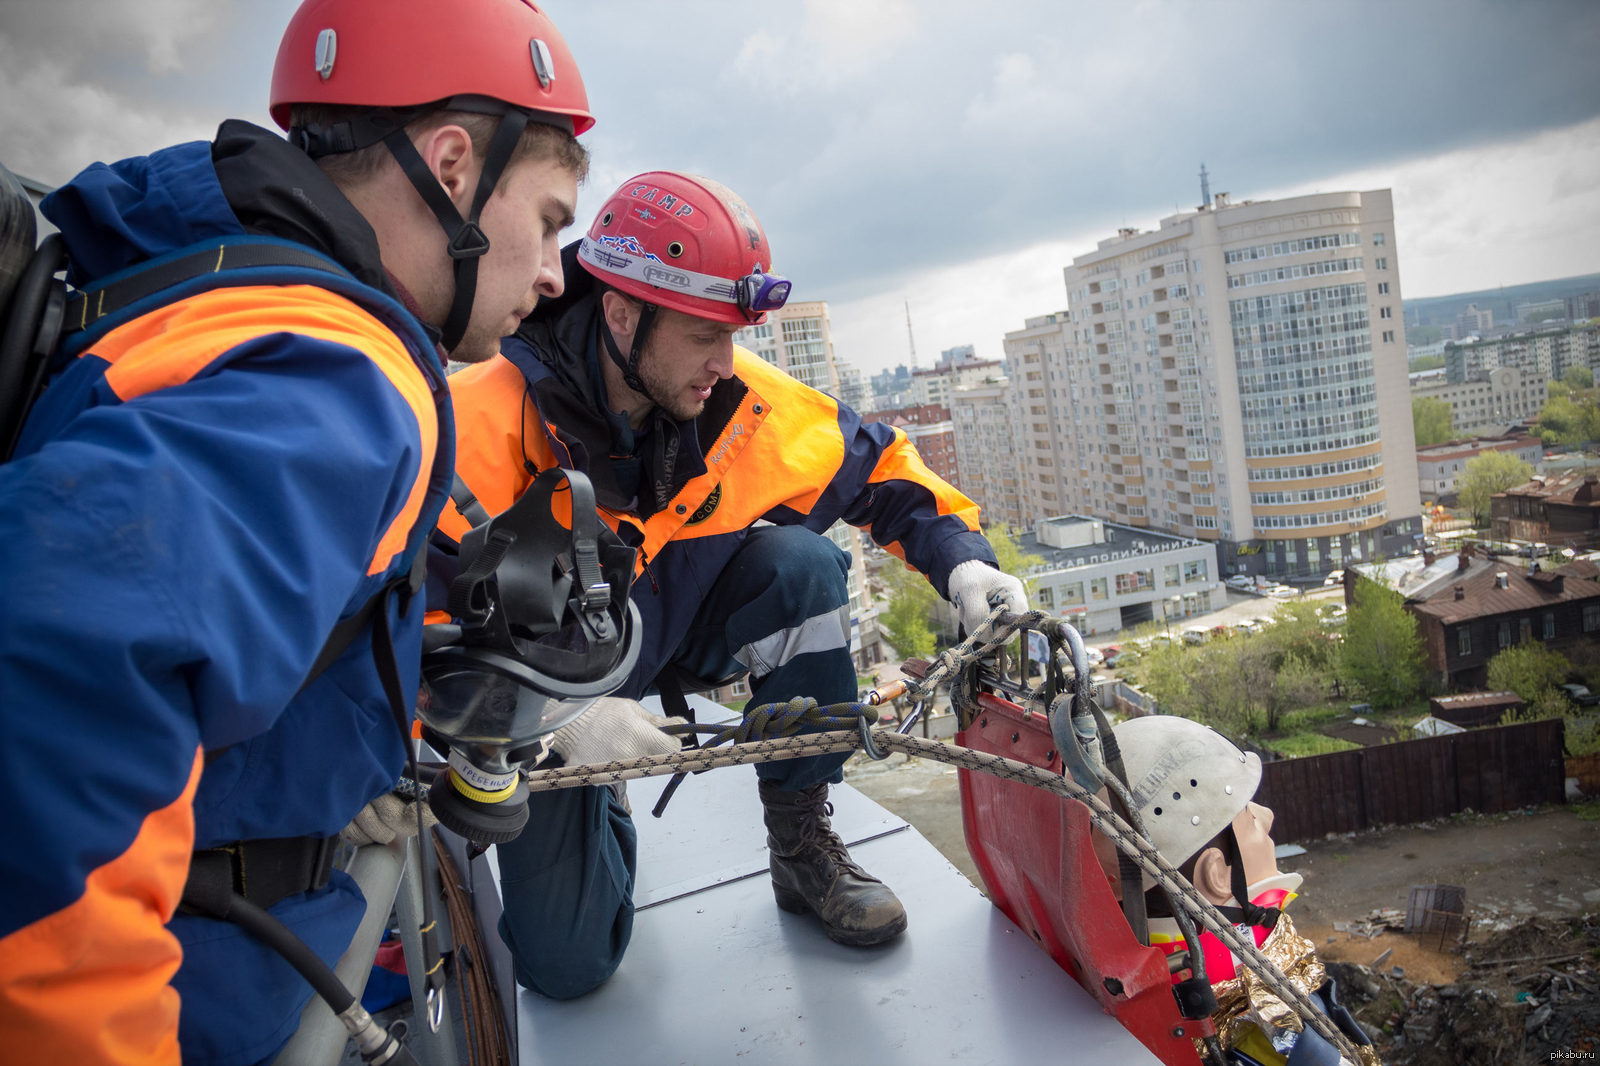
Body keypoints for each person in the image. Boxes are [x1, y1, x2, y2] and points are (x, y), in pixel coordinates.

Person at [0, 1, 593, 1062]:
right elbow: (52, 651)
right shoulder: (346, 377)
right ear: (454, 166)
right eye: (549, 220)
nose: (553, 274)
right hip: (186, 1004)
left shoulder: (210, 288)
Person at [434, 170, 1030, 999]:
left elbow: (880, 467)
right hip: (540, 693)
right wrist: (562, 725)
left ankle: (801, 844)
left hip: (661, 631)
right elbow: (411, 645)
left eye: (736, 333)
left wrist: (965, 562)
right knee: (567, 968)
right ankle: (594, 798)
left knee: (802, 566)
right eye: (705, 334)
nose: (727, 360)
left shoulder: (738, 403)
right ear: (620, 313)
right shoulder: (476, 428)